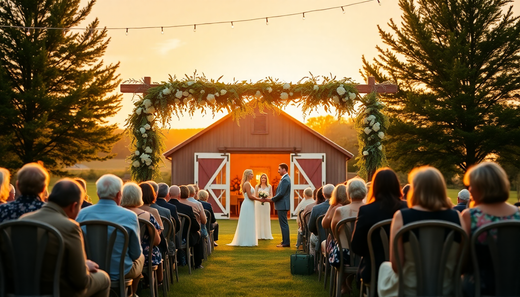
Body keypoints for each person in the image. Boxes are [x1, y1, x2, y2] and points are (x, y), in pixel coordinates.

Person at [377, 166, 462, 297]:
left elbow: (396, 266)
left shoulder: (401, 217)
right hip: (446, 289)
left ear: (415, 189)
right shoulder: (457, 217)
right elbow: (461, 263)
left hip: (410, 288)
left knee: (384, 267)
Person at [20, 178, 110, 297]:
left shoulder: (23, 220)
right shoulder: (70, 227)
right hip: (58, 290)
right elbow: (80, 281)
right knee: (103, 278)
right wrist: (85, 266)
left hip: (23, 288)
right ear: (74, 206)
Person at [76, 174, 144, 294]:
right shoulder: (129, 216)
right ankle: (132, 293)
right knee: (141, 256)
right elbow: (135, 254)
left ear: (97, 194)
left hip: (90, 268)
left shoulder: (81, 214)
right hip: (121, 271)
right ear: (119, 194)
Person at [461, 162, 520, 296]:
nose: (469, 189)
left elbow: (461, 262)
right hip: (516, 287)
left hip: (479, 288)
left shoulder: (471, 216)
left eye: (471, 185)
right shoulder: (518, 215)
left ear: (481, 187)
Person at [350, 168, 407, 293]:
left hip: (374, 269)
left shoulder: (367, 210)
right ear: (397, 185)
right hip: (406, 269)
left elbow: (356, 247)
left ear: (374, 187)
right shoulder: (408, 209)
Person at [121, 182, 163, 284]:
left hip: (119, 253)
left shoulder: (116, 214)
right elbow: (156, 241)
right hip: (144, 254)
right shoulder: (147, 216)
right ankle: (157, 282)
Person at [228, 169, 264, 246]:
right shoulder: (247, 184)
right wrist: (259, 199)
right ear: (248, 175)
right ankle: (245, 241)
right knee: (247, 221)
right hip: (248, 204)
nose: (253, 175)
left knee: (250, 221)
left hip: (250, 204)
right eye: (251, 174)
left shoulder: (249, 184)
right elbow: (250, 196)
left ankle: (249, 240)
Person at [168, 185, 201, 267]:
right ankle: (197, 263)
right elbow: (196, 226)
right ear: (179, 195)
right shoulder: (187, 208)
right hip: (185, 238)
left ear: (169, 194)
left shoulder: (165, 208)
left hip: (168, 237)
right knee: (198, 234)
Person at [267, 163, 291, 247]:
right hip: (282, 204)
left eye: (279, 169)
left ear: (284, 170)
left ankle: (286, 243)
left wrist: (272, 199)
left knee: (283, 224)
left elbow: (281, 193)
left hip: (282, 205)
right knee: (283, 224)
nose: (278, 171)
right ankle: (284, 241)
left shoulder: (285, 179)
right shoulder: (285, 178)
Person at [308, 184, 334, 255]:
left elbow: (311, 227)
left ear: (323, 195)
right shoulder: (340, 207)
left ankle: (314, 263)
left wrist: (319, 233)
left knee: (313, 239)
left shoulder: (316, 209)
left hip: (322, 240)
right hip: (337, 240)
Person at [255, 173, 274, 240]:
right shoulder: (257, 186)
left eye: (264, 178)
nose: (263, 179)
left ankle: (266, 234)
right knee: (258, 218)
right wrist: (260, 196)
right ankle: (259, 235)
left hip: (266, 204)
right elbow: (255, 196)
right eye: (262, 178)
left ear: (266, 179)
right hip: (258, 204)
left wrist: (265, 197)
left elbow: (271, 196)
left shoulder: (269, 186)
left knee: (265, 218)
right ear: (260, 179)